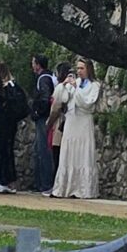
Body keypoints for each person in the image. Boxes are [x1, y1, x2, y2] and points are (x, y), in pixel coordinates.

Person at [52, 58, 102, 201]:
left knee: (83, 152)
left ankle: (84, 188)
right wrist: (63, 85)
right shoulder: (76, 83)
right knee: (69, 152)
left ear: (88, 69)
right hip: (71, 120)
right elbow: (62, 98)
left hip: (84, 121)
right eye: (78, 68)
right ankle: (65, 187)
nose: (79, 71)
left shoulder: (94, 85)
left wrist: (76, 89)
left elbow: (87, 103)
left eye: (82, 68)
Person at [0, 63, 29, 196]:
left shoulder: (0, 88)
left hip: (0, 122)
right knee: (8, 151)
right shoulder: (14, 86)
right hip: (11, 123)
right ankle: (9, 180)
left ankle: (0, 179)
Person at [27, 55, 58, 195]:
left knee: (43, 150)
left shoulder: (42, 79)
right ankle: (39, 182)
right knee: (40, 149)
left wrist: (38, 112)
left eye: (33, 63)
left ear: (38, 65)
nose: (32, 66)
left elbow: (45, 97)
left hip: (43, 118)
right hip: (46, 117)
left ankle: (45, 183)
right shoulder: (50, 76)